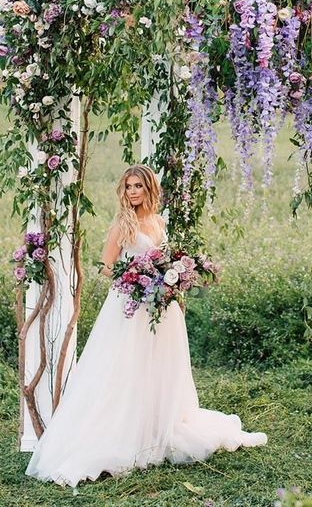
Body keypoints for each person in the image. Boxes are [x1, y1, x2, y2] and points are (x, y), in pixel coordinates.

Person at [26, 164, 267, 487]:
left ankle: (156, 425)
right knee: (125, 368)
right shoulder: (122, 225)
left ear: (149, 188)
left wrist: (172, 283)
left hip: (162, 309)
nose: (133, 192)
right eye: (128, 187)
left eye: (138, 186)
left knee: (161, 367)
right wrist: (136, 281)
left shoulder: (158, 221)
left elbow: (164, 259)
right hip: (130, 308)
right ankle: (123, 432)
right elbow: (106, 267)